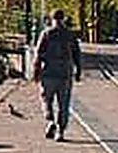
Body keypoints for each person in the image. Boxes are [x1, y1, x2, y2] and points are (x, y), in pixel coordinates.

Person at [33, 8, 82, 140]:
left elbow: (38, 54)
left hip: (48, 72)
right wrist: (78, 71)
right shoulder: (70, 35)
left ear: (52, 19)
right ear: (63, 18)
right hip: (65, 73)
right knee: (64, 104)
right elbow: (77, 54)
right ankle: (61, 131)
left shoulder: (46, 34)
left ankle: (50, 120)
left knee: (46, 99)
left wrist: (36, 71)